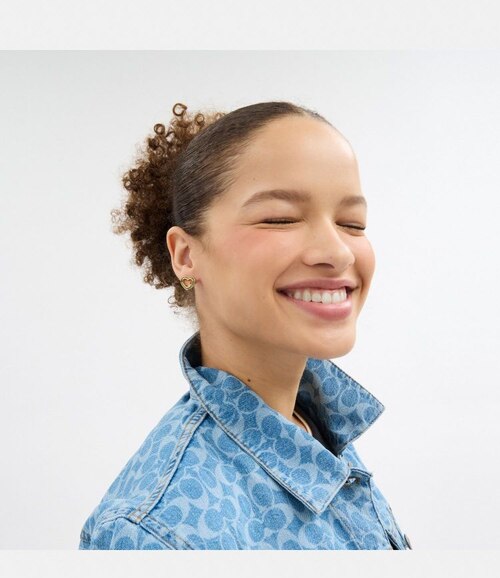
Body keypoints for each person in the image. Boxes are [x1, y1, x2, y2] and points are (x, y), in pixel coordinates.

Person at [78, 100, 412, 550]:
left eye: (352, 223)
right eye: (280, 218)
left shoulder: (311, 426)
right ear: (186, 256)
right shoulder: (159, 534)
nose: (338, 252)